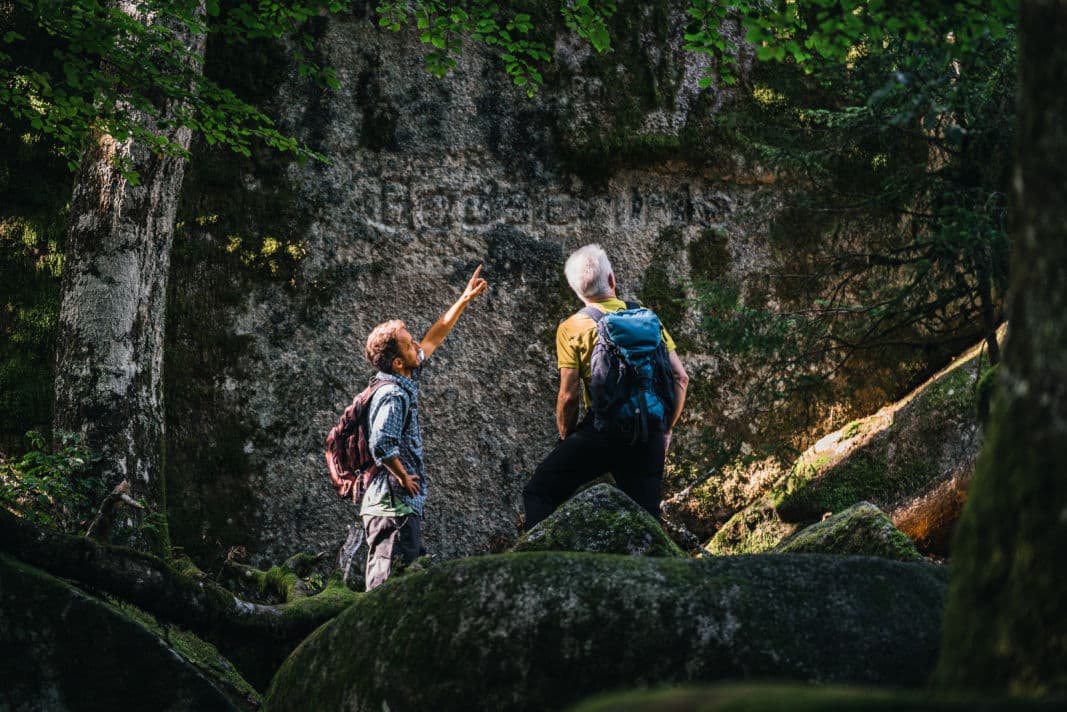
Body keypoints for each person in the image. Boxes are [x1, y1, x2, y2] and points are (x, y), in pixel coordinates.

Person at [523, 245, 689, 530]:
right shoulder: (648, 318)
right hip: (647, 433)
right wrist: (665, 428)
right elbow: (681, 377)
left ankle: (545, 557)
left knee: (539, 492)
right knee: (646, 523)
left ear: (578, 292)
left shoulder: (572, 326)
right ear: (612, 279)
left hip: (602, 433)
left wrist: (566, 437)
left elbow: (569, 396)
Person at [360, 265, 487, 590]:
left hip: (398, 508)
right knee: (385, 592)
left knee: (405, 586)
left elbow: (434, 337)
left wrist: (464, 299)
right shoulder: (393, 394)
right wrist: (404, 476)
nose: (416, 344)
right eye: (408, 344)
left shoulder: (404, 376)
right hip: (392, 508)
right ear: (398, 362)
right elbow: (381, 443)